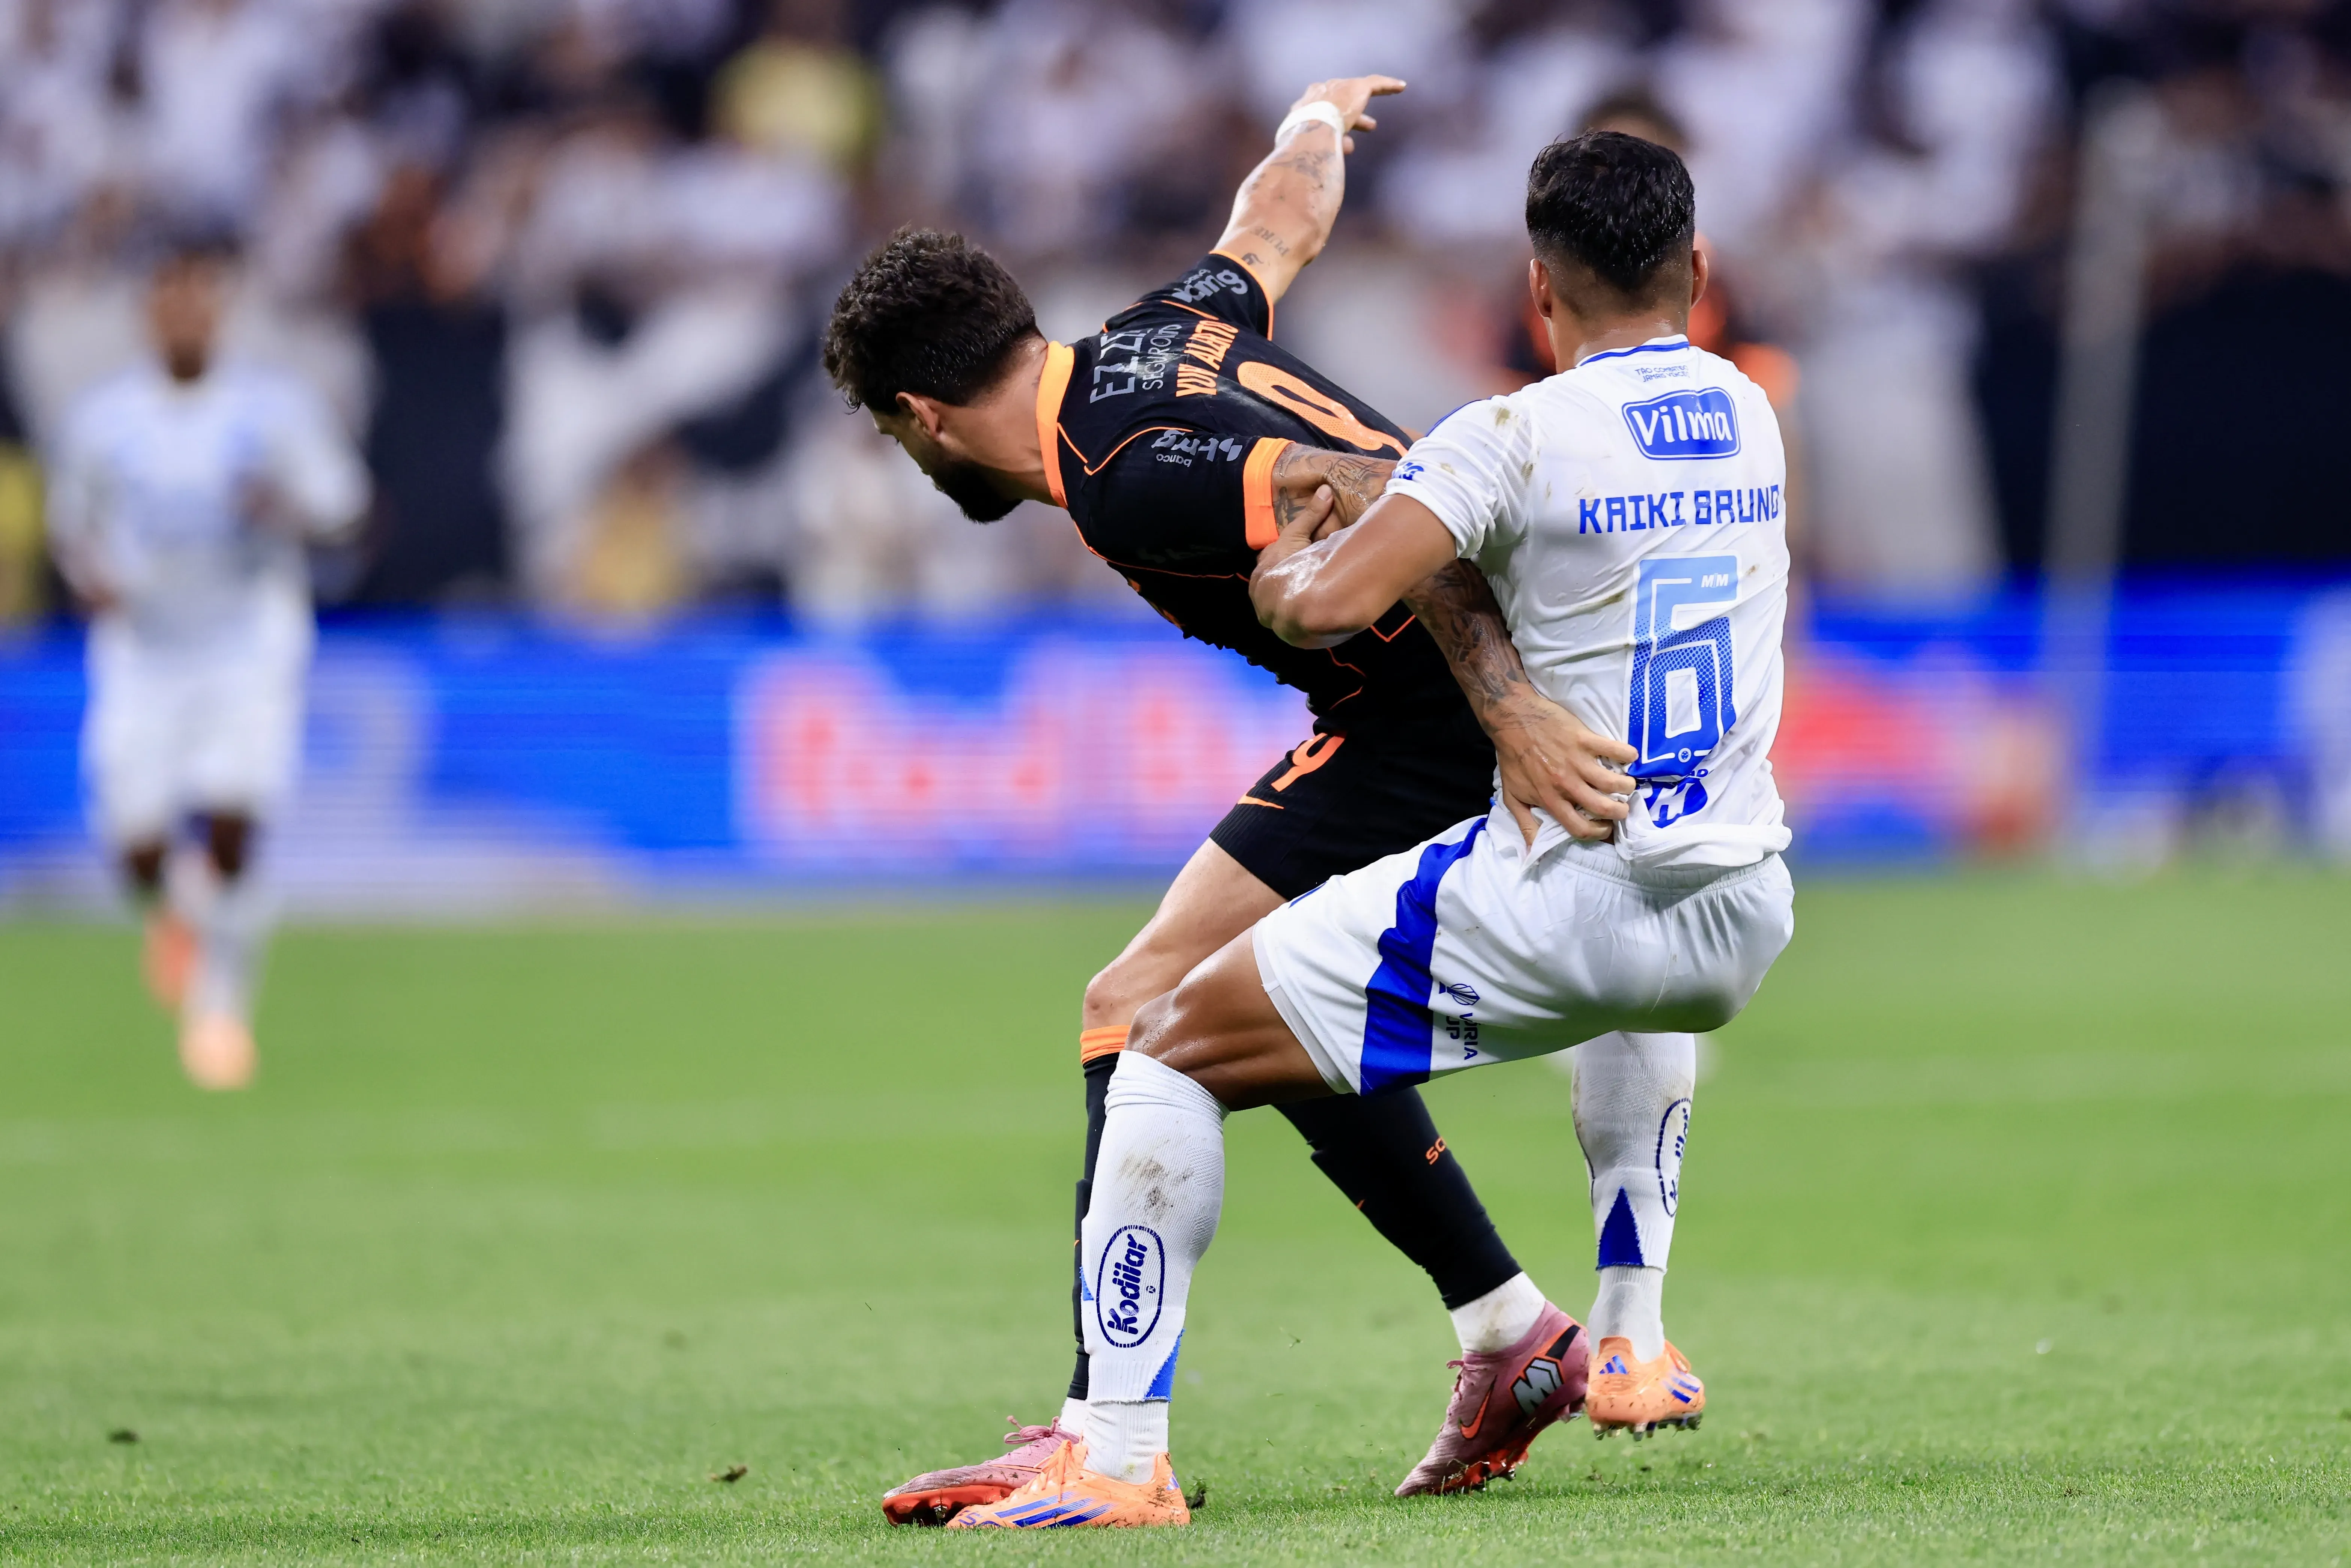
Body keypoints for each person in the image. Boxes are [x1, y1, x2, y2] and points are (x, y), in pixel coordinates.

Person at [823, 77, 1646, 1521]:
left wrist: (1511, 713)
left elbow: (1388, 485)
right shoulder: (1155, 334)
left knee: (1140, 1001)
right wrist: (1312, 127)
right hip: (1400, 708)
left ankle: (1109, 1441)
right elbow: (1272, 228)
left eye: (895, 440)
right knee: (1234, 1005)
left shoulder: (1128, 474)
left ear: (924, 414)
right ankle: (1510, 1333)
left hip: (1434, 712)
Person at [948, 130, 1796, 1529]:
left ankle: (1112, 1448)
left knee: (1162, 1034)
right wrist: (1304, 143)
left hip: (1558, 892)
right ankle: (1626, 1330)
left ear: (1538, 292)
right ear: (1700, 272)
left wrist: (1290, 573)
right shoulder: (1751, 415)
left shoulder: (1512, 432)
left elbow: (1335, 600)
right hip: (1739, 907)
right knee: (1633, 930)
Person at [47, 237, 369, 1089]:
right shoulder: (103, 420)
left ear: (219, 310)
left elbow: (348, 510)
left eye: (200, 299)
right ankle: (184, 912)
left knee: (233, 817)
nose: (186, 315)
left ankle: (219, 1008)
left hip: (247, 640)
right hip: (144, 650)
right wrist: (93, 583)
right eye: (169, 299)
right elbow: (73, 527)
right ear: (150, 313)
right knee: (137, 850)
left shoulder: (273, 411)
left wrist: (290, 506)